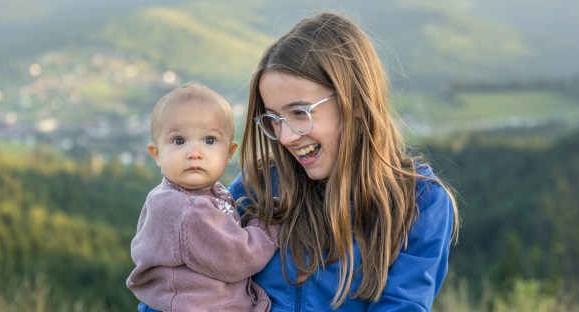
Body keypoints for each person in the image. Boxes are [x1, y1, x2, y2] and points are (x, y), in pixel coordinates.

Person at [227, 11, 460, 311]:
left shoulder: (420, 203)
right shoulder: (258, 185)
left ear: (356, 102)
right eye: (273, 118)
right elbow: (186, 278)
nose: (284, 138)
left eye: (299, 112)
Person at [127, 82, 280, 312]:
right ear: (156, 153)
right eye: (179, 141)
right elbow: (239, 258)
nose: (195, 153)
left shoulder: (179, 196)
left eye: (209, 140)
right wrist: (269, 224)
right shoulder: (188, 210)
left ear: (229, 153)